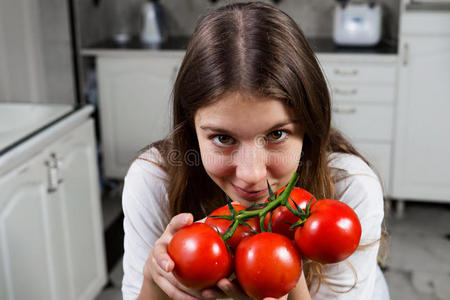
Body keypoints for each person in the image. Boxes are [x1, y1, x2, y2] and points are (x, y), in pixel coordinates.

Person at [121, 2, 390, 300]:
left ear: (309, 125)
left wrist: (286, 279)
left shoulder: (350, 188)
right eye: (223, 138)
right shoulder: (153, 178)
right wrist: (153, 279)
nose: (251, 175)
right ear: (190, 126)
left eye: (277, 134)